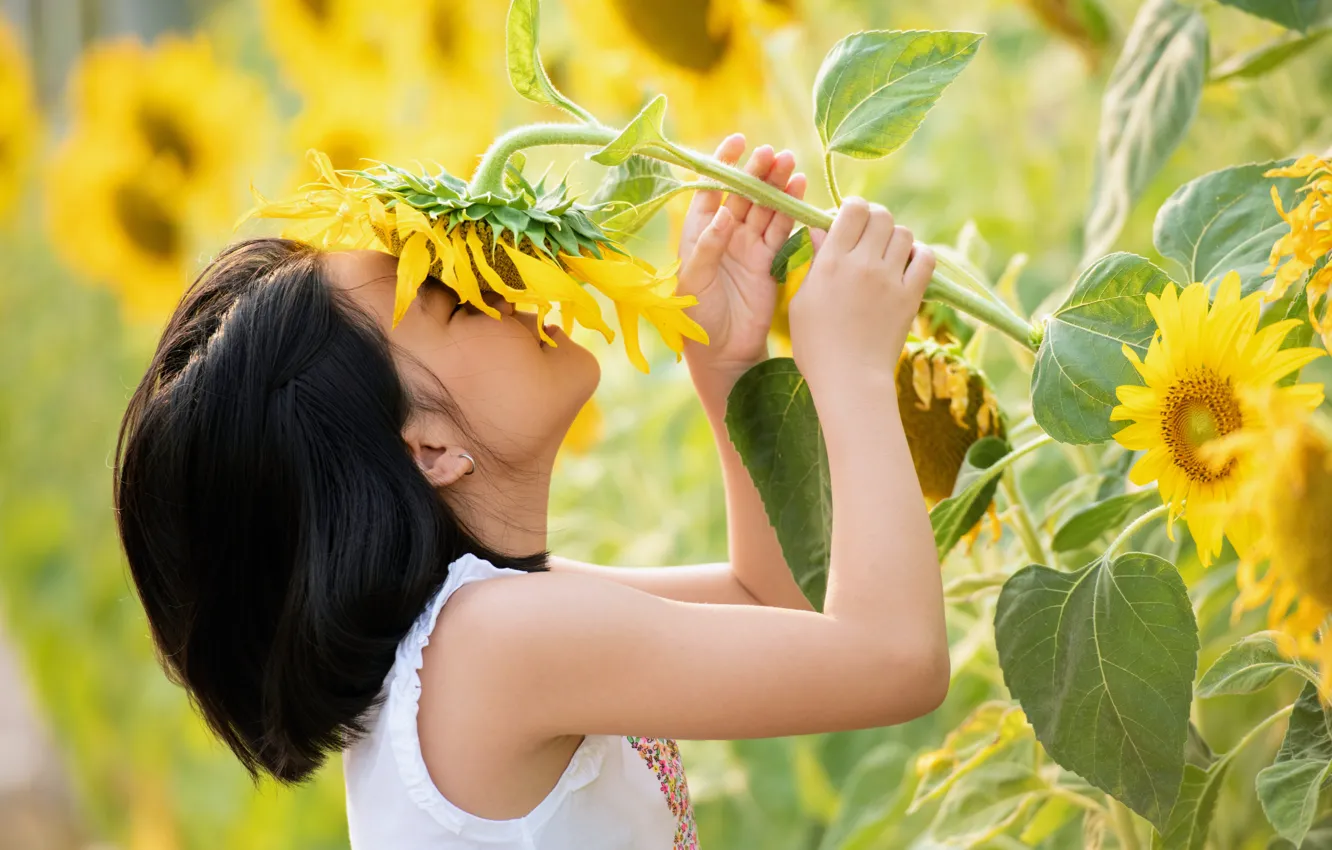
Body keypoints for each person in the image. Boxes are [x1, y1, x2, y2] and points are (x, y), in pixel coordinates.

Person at [113, 136, 945, 850]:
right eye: (457, 300)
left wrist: (727, 365)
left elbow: (771, 605)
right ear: (429, 447)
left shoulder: (480, 628)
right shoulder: (491, 646)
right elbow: (896, 662)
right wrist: (852, 371)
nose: (508, 283)